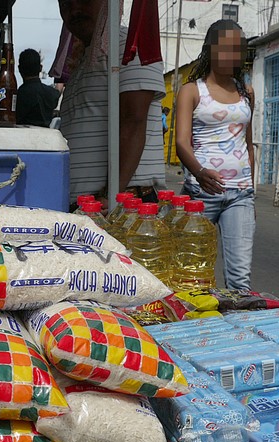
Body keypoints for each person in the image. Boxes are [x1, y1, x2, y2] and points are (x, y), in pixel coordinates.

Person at [58, 0, 166, 207]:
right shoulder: (81, 60)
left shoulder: (129, 45)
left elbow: (133, 120)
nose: (74, 10)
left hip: (123, 207)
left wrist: (110, 196)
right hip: (89, 208)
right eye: (64, 4)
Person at [175, 19, 256, 290]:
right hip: (201, 195)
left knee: (239, 280)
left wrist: (251, 188)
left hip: (241, 196)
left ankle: (237, 328)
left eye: (238, 49)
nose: (232, 55)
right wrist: (199, 173)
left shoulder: (247, 92)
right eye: (225, 48)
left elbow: (248, 142)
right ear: (210, 50)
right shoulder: (191, 91)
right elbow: (181, 143)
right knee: (192, 273)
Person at [15, 49, 61, 127]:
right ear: (40, 68)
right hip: (46, 135)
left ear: (19, 69)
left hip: (22, 135)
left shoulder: (18, 94)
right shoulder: (51, 93)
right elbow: (57, 93)